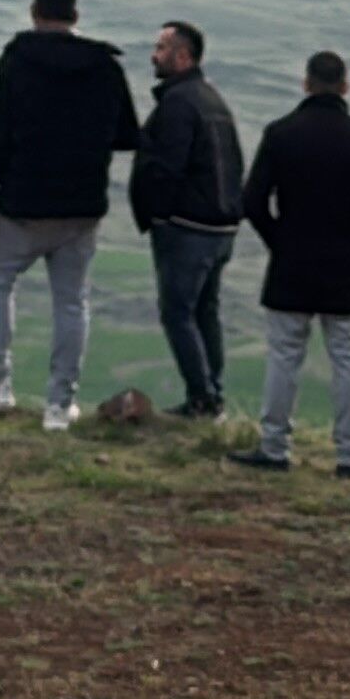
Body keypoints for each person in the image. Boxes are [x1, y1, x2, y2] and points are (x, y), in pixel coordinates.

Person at [0, 0, 140, 430]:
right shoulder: (104, 65)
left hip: (23, 198)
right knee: (71, 301)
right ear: (75, 16)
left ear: (34, 12)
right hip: (82, 203)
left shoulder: (17, 59)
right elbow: (126, 134)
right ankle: (60, 405)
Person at [230, 51, 350, 478]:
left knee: (284, 354)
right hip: (342, 264)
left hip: (291, 260)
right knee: (348, 355)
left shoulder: (281, 134)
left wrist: (280, 241)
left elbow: (252, 201)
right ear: (345, 87)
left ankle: (274, 448)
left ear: (306, 84)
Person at [130, 21, 244, 421]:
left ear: (183, 57)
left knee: (178, 312)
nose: (153, 55)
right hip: (220, 227)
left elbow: (166, 168)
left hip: (188, 228)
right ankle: (213, 395)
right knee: (205, 312)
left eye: (161, 47)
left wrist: (158, 214)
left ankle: (202, 399)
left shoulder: (179, 104)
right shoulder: (211, 99)